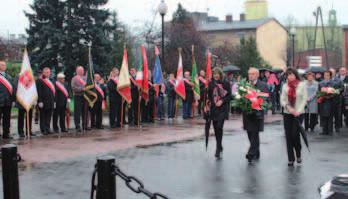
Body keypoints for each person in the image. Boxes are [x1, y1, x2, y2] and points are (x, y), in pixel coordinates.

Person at [280, 68, 307, 166]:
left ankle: (298, 154)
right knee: (288, 136)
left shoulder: (302, 85)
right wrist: (288, 107)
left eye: (291, 74)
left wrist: (298, 111)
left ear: (295, 75)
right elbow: (282, 100)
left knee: (295, 134)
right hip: (288, 113)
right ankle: (290, 158)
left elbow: (304, 99)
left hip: (299, 113)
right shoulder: (284, 86)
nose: (290, 76)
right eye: (288, 75)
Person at [243, 67, 269, 163]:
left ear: (257, 75)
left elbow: (266, 98)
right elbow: (241, 97)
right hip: (247, 114)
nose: (250, 76)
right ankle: (256, 152)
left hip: (257, 114)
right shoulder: (245, 85)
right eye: (249, 74)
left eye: (253, 74)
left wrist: (258, 101)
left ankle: (251, 153)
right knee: (250, 134)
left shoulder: (263, 85)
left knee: (254, 133)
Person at [207, 67, 231, 159]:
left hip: (222, 109)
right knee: (216, 129)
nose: (216, 75)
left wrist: (222, 101)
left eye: (217, 74)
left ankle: (217, 148)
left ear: (220, 74)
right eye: (214, 74)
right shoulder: (211, 84)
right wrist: (206, 103)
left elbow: (229, 96)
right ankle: (220, 145)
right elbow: (209, 96)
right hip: (214, 109)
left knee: (219, 127)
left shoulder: (225, 83)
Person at [37, 67, 55, 135]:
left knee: (49, 116)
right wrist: (40, 101)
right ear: (43, 73)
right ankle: (43, 129)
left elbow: (53, 91)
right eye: (46, 72)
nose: (48, 73)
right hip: (43, 102)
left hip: (50, 101)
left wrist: (54, 101)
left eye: (49, 72)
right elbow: (39, 91)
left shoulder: (52, 80)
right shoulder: (40, 80)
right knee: (43, 116)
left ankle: (48, 128)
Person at [0, 59, 14, 139]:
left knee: (7, 118)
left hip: (7, 102)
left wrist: (12, 100)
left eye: (4, 65)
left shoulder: (9, 77)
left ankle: (6, 134)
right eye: (2, 65)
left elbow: (12, 89)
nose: (3, 66)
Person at [71, 66, 88, 132]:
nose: (81, 71)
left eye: (82, 70)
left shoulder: (86, 78)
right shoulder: (74, 78)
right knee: (77, 112)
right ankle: (77, 126)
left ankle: (85, 125)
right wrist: (82, 89)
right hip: (78, 96)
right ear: (77, 71)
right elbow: (73, 87)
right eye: (80, 70)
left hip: (85, 96)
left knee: (85, 111)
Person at [319, 71, 335, 135]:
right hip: (323, 101)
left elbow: (335, 92)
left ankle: (330, 131)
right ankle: (324, 130)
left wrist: (330, 95)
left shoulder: (333, 83)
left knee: (330, 116)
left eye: (328, 75)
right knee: (323, 116)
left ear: (330, 76)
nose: (326, 76)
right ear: (324, 75)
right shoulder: (320, 83)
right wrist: (322, 95)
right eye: (325, 75)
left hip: (330, 101)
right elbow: (318, 92)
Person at [330, 68, 344, 133]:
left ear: (335, 73)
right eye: (330, 72)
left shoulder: (339, 80)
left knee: (337, 115)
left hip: (337, 100)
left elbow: (342, 88)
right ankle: (329, 128)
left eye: (332, 72)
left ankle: (337, 127)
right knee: (329, 115)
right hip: (328, 100)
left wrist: (337, 90)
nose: (331, 73)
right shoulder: (326, 79)